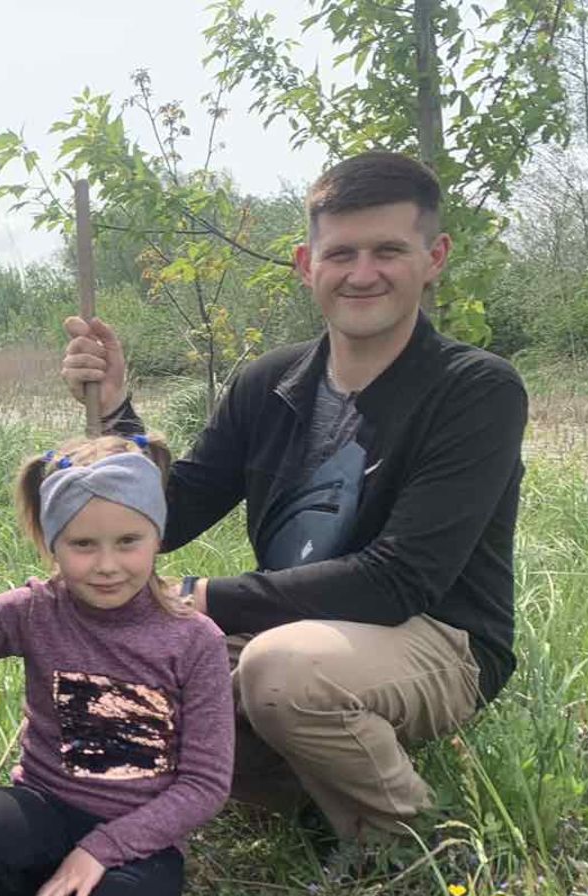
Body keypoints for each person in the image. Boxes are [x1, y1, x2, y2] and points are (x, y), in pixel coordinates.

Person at [60, 151, 527, 850]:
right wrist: (122, 409)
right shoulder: (270, 383)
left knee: (281, 671)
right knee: (110, 666)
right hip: (291, 627)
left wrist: (200, 599)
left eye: (388, 251)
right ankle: (105, 858)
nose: (362, 273)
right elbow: (171, 512)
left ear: (434, 258)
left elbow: (401, 580)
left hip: (438, 638)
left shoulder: (475, 390)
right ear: (307, 264)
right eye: (341, 253)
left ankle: (405, 844)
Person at [0, 433, 232, 896]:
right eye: (83, 545)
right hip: (45, 808)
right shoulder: (36, 610)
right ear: (51, 542)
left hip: (141, 838)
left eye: (128, 542)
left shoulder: (194, 641)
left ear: (157, 535)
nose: (107, 566)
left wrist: (102, 850)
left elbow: (205, 785)